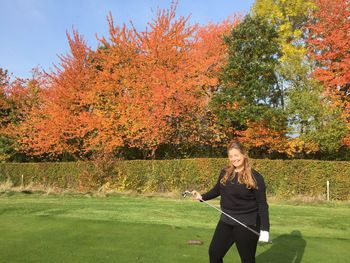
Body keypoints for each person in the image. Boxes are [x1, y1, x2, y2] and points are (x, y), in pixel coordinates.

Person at [191, 140, 270, 263]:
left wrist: (265, 229)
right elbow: (217, 190)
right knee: (214, 253)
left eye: (236, 155)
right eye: (231, 156)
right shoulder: (225, 173)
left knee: (247, 259)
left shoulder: (256, 177)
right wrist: (202, 197)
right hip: (226, 221)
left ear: (243, 154)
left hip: (247, 223)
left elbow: (262, 205)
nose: (234, 159)